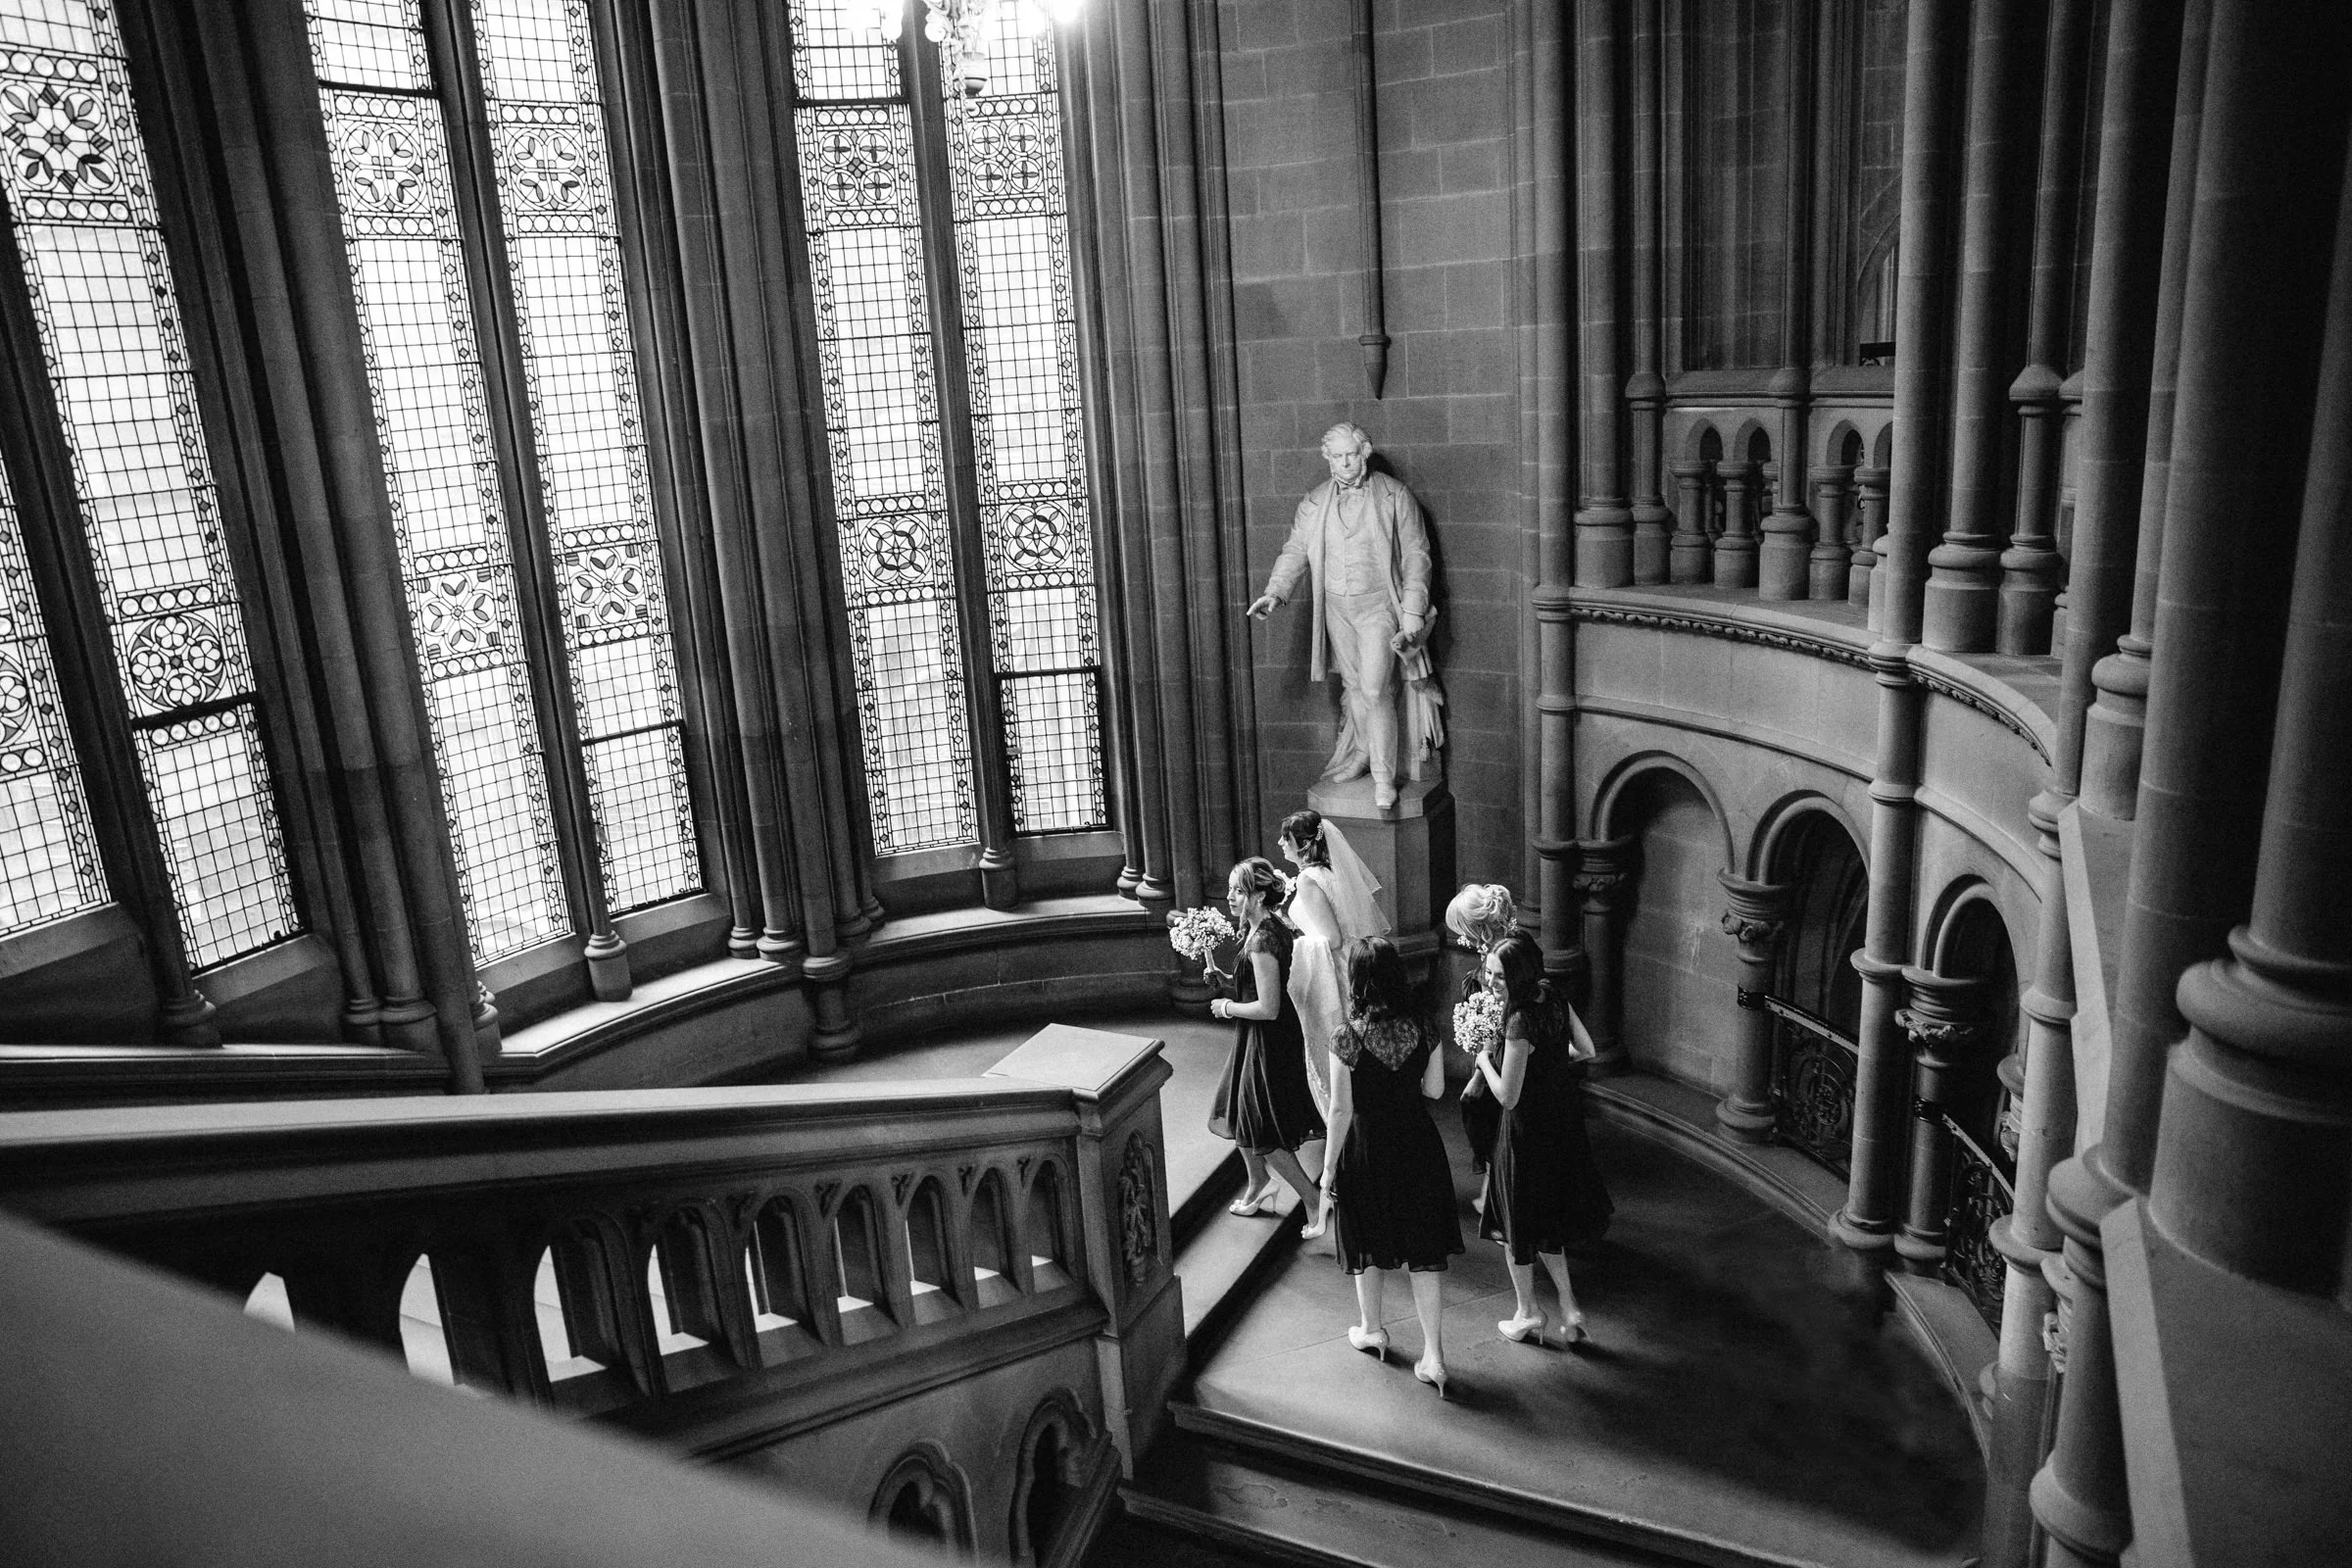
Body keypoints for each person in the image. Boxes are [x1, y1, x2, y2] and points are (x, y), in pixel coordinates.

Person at [1246, 423, 1442, 812]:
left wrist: (1413, 608)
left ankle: (1384, 778)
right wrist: (1275, 592)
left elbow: (1417, 554)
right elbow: (1295, 550)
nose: (1344, 463)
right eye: (1336, 456)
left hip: (1378, 608)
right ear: (1327, 457)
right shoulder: (1315, 502)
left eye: (1351, 454)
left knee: (1374, 690)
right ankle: (1363, 753)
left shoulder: (1394, 495)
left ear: (1365, 452)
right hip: (1337, 607)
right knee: (1353, 689)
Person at [1313, 937, 1463, 1396]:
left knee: (1368, 1235)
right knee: (1423, 1253)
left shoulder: (1346, 1036)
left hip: (1367, 1147)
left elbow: (1340, 1110)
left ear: (1357, 980)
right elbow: (1436, 1091)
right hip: (1418, 1142)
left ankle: (1372, 1329)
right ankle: (1435, 1357)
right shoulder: (1424, 1026)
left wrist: (1327, 1170)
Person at [1472, 931, 1615, 1348]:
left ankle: (1528, 1313)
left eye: (1499, 976)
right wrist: (1550, 1063)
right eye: (1489, 973)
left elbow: (1508, 1096)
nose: (1491, 982)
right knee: (1547, 1221)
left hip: (1524, 1133)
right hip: (1560, 1123)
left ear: (1518, 976)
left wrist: (1484, 1058)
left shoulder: (1519, 1022)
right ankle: (1571, 1310)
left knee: (1514, 1224)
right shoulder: (1552, 993)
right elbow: (1585, 1049)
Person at [1206, 858, 1325, 1216]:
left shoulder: (1262, 940)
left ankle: (1312, 1199)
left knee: (1261, 1128)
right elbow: (1257, 985)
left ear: (1257, 896)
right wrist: (1227, 979)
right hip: (1255, 1037)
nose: (1229, 897)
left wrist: (1227, 1007)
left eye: (1238, 891)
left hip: (1268, 1041)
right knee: (1238, 1111)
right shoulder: (1267, 925)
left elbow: (1269, 1007)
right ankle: (1259, 1183)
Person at [1277, 808, 1389, 1120]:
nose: (1279, 843)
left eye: (1284, 839)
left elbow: (1332, 939)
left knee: (1340, 1049)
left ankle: (1344, 1118)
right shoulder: (1331, 872)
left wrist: (1293, 939)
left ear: (1300, 844)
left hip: (1338, 969)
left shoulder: (1308, 880)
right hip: (1352, 962)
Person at [1443, 883, 1519, 1192]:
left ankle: (1495, 1190)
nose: (1459, 937)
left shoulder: (1499, 960)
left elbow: (1500, 1016)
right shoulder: (1503, 947)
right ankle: (1492, 1189)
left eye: (1460, 929)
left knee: (1480, 1110)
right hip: (1498, 1045)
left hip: (1502, 1049)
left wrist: (1480, 1065)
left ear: (1475, 928)